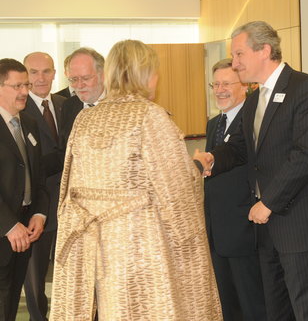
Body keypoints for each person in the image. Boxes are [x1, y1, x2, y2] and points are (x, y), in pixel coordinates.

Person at [49, 39, 222, 320]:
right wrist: (196, 165)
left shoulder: (86, 118)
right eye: (154, 72)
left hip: (93, 243)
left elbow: (69, 185)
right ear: (144, 73)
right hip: (138, 241)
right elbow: (175, 189)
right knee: (142, 308)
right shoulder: (149, 115)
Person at [195, 21, 308, 321]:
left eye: (239, 54)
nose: (234, 64)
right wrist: (211, 158)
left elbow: (307, 156)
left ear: (264, 50)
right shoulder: (254, 100)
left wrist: (268, 202)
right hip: (268, 234)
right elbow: (238, 148)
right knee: (277, 313)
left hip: (304, 230)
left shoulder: (305, 88)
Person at [204, 58, 266, 321]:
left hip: (244, 230)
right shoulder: (214, 123)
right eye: (215, 84)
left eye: (226, 83)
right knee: (227, 305)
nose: (220, 90)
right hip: (217, 231)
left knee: (252, 304)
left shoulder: (253, 121)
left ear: (244, 85)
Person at [0, 58, 49, 321]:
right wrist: (9, 225)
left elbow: (38, 176)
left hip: (25, 233)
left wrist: (39, 214)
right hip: (4, 232)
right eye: (17, 85)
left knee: (10, 306)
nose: (24, 92)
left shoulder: (29, 123)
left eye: (26, 85)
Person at [22, 52, 66, 321]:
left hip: (71, 205)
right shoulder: (18, 108)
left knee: (70, 271)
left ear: (54, 73)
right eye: (34, 72)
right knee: (35, 276)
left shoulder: (66, 104)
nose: (41, 78)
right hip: (37, 207)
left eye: (46, 71)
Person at [58, 48, 105, 150]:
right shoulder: (68, 106)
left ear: (103, 75)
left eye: (86, 78)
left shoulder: (120, 106)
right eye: (74, 79)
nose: (79, 85)